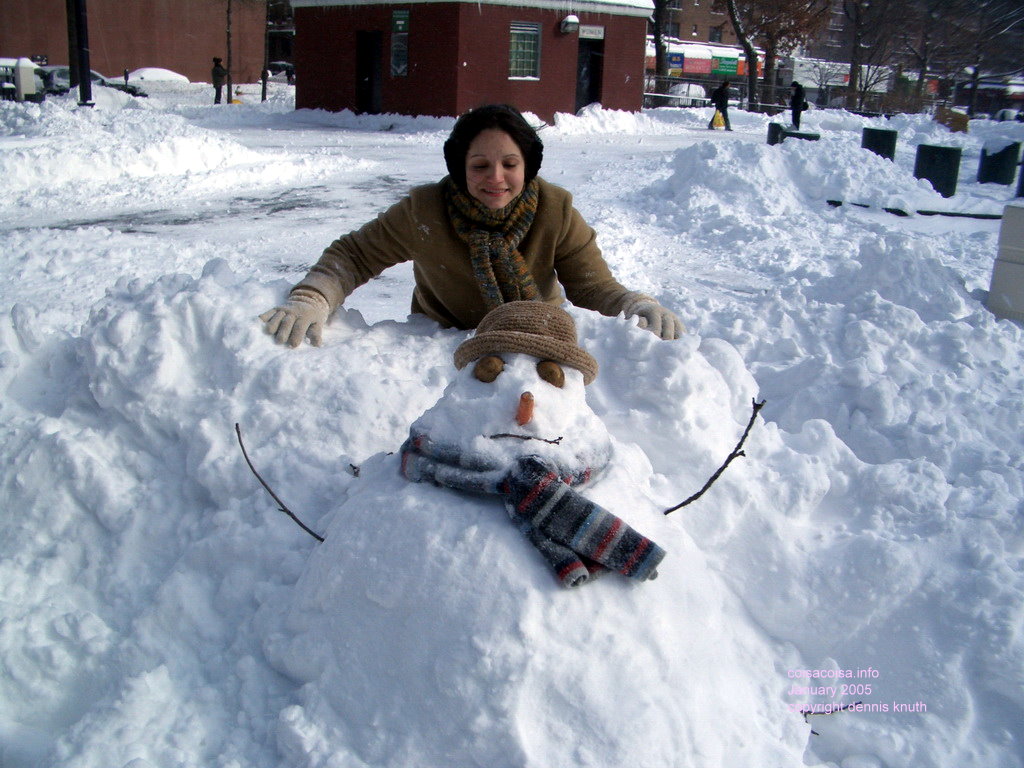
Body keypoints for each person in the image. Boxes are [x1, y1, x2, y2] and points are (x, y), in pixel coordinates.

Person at [260, 104, 684, 347]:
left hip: (538, 341)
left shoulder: (556, 209)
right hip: (441, 348)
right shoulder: (423, 211)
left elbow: (592, 286)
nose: (495, 177)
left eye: (509, 164)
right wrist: (312, 298)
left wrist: (635, 305)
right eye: (479, 165)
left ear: (528, 166)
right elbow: (353, 256)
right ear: (460, 168)